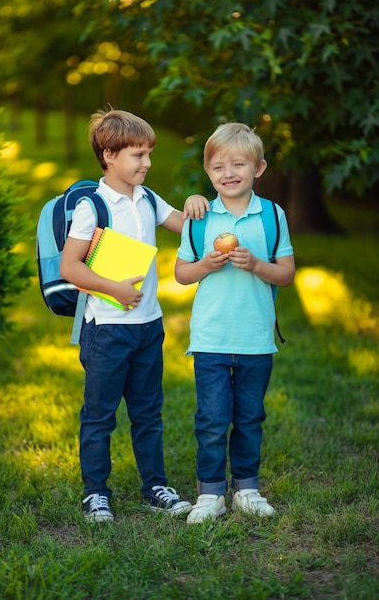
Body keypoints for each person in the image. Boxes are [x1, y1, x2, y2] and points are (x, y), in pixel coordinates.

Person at [60, 108, 209, 522]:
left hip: (148, 327)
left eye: (148, 155)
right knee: (99, 415)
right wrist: (113, 289)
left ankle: (154, 486)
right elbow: (70, 267)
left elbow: (186, 225)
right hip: (107, 331)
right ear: (109, 155)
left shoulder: (147, 198)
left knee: (148, 413)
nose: (147, 163)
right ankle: (95, 493)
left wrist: (199, 204)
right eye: (137, 155)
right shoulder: (94, 206)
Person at [175, 122, 295, 523]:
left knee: (249, 417)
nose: (228, 173)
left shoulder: (272, 215)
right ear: (208, 172)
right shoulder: (200, 214)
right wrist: (206, 264)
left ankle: (247, 488)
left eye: (238, 164)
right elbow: (181, 273)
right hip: (210, 337)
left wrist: (258, 265)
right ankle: (210, 493)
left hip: (256, 338)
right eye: (218, 167)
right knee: (211, 419)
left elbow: (287, 274)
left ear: (258, 168)